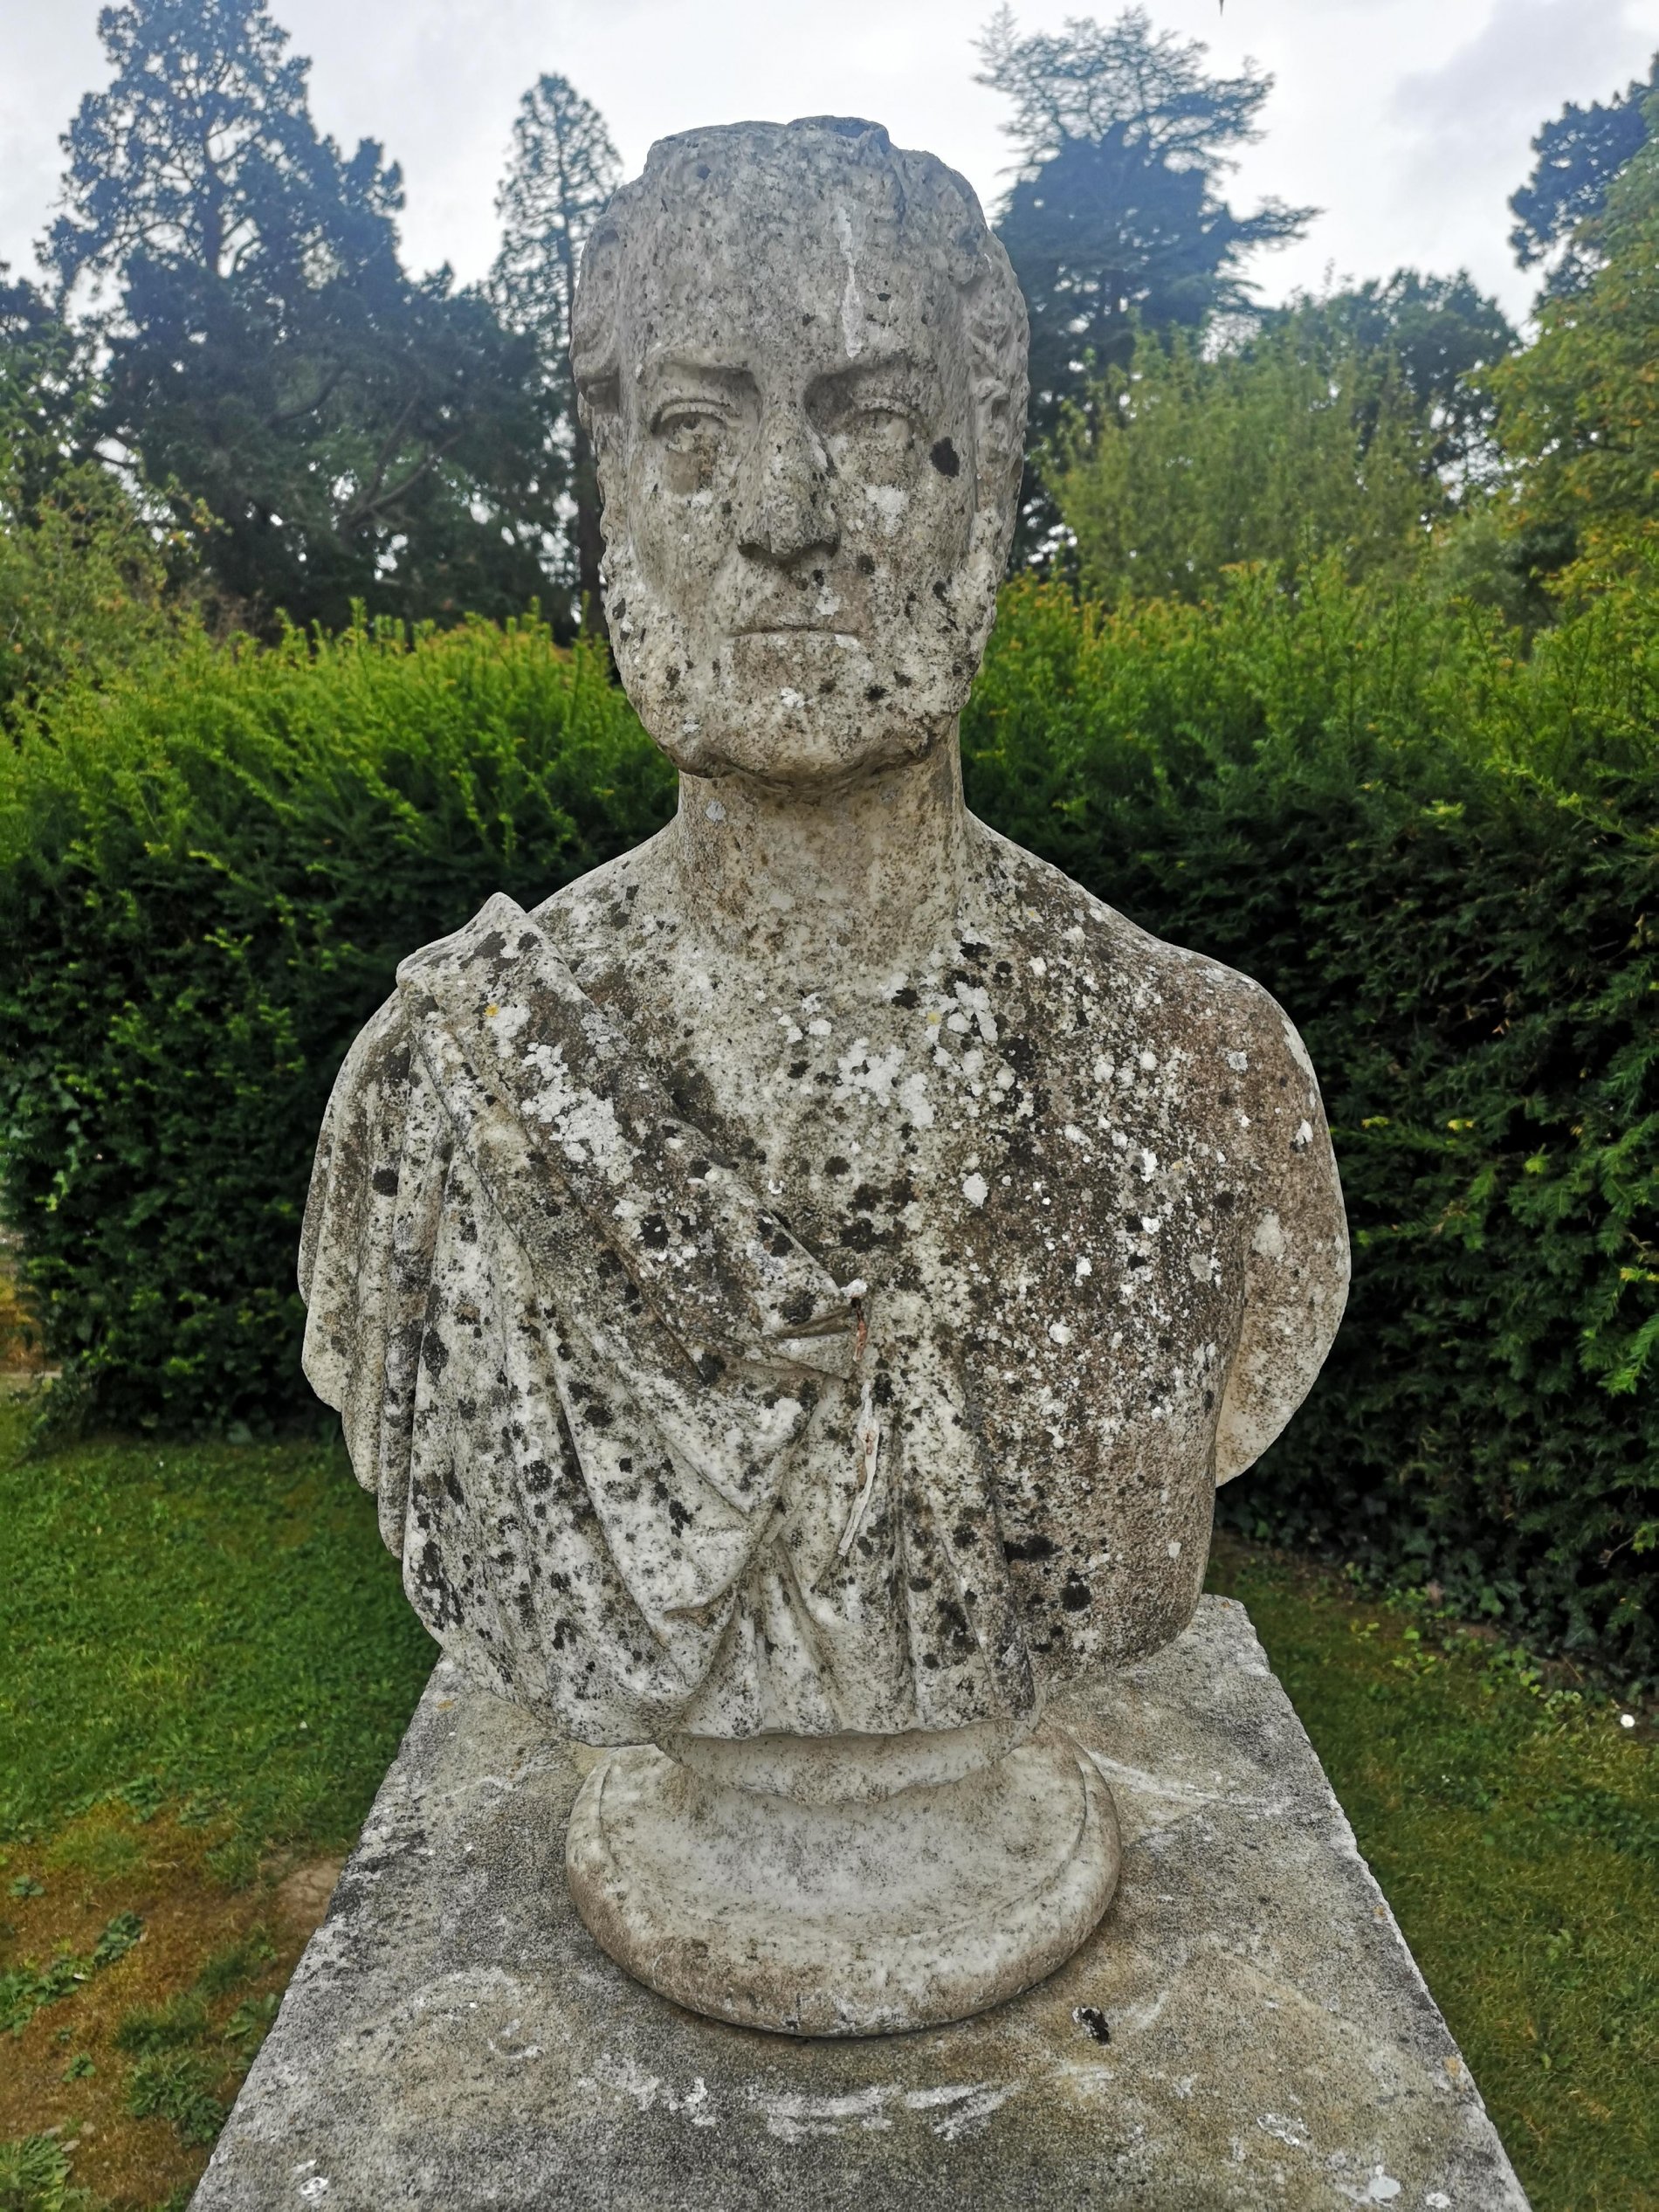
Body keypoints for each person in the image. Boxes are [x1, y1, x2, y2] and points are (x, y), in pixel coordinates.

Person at [300, 116, 1348, 1763]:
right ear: (614, 493)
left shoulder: (1200, 1078)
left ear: (985, 486)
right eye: (700, 428)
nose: (786, 515)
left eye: (872, 422)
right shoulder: (447, 1088)